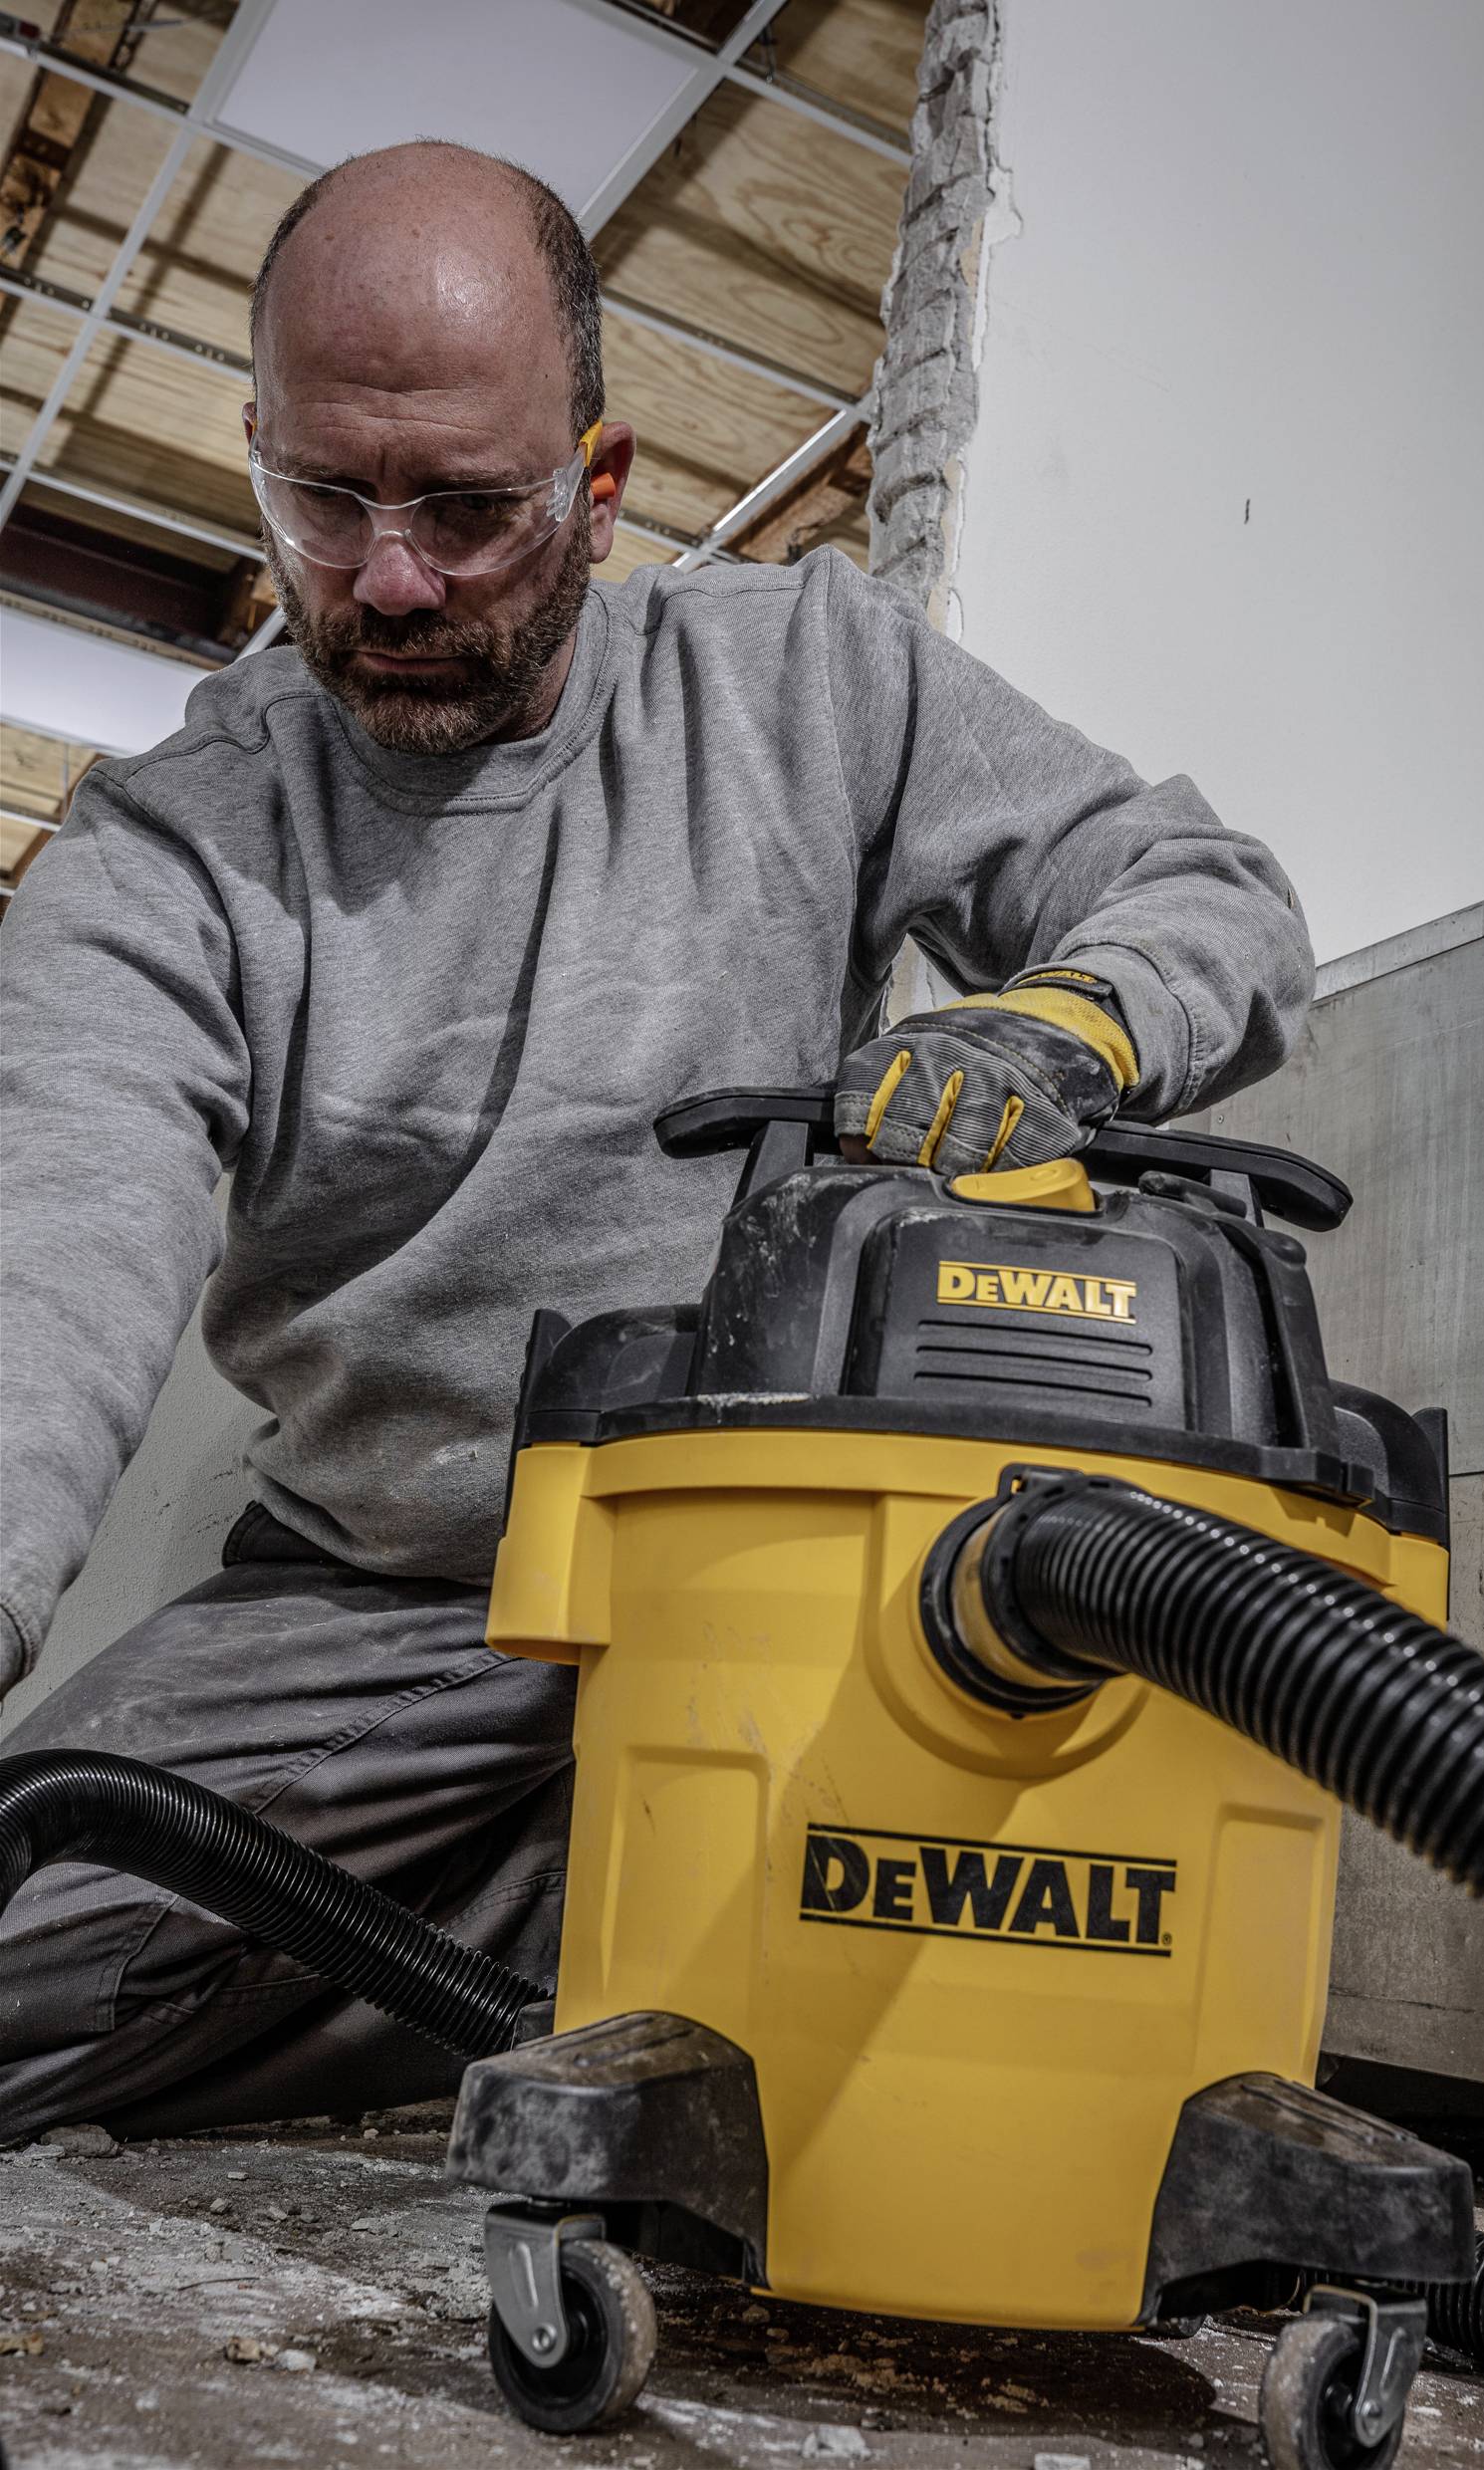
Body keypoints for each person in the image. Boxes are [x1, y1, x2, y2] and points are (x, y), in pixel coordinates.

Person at [0, 141, 1312, 2140]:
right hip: (379, 1605)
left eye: (465, 505)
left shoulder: (810, 686)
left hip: (785, 1585)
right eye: (324, 500)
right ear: (255, 446)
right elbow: (47, 1273)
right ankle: (528, 1990)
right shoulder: (171, 853)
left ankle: (536, 1991)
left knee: (960, 2058)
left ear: (595, 492)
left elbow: (1204, 893)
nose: (392, 578)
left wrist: (1066, 1020)